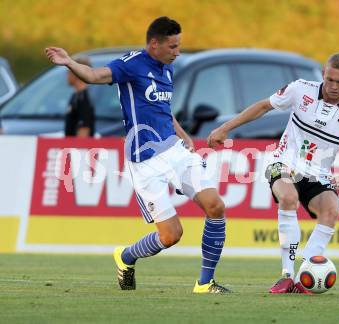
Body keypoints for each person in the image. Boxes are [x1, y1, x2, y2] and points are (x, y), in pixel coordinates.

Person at [46, 16, 230, 293]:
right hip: (144, 161)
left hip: (174, 151)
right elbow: (95, 76)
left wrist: (184, 136)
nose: (177, 52)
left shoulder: (167, 70)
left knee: (215, 206)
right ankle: (126, 256)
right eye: (172, 46)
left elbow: (163, 111)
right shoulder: (130, 64)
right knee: (171, 236)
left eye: (179, 46)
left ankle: (205, 283)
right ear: (154, 44)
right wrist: (71, 62)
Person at [208, 53, 339, 294]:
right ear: (324, 74)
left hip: (318, 174)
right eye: (330, 80)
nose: (334, 87)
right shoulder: (300, 89)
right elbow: (263, 106)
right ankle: (286, 275)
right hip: (284, 162)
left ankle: (307, 272)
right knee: (288, 197)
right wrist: (224, 128)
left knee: (331, 209)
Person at [64, 56, 95, 137]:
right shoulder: (76, 96)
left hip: (77, 149)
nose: (66, 75)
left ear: (77, 72)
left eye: (69, 70)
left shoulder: (83, 99)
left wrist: (76, 149)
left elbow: (83, 131)